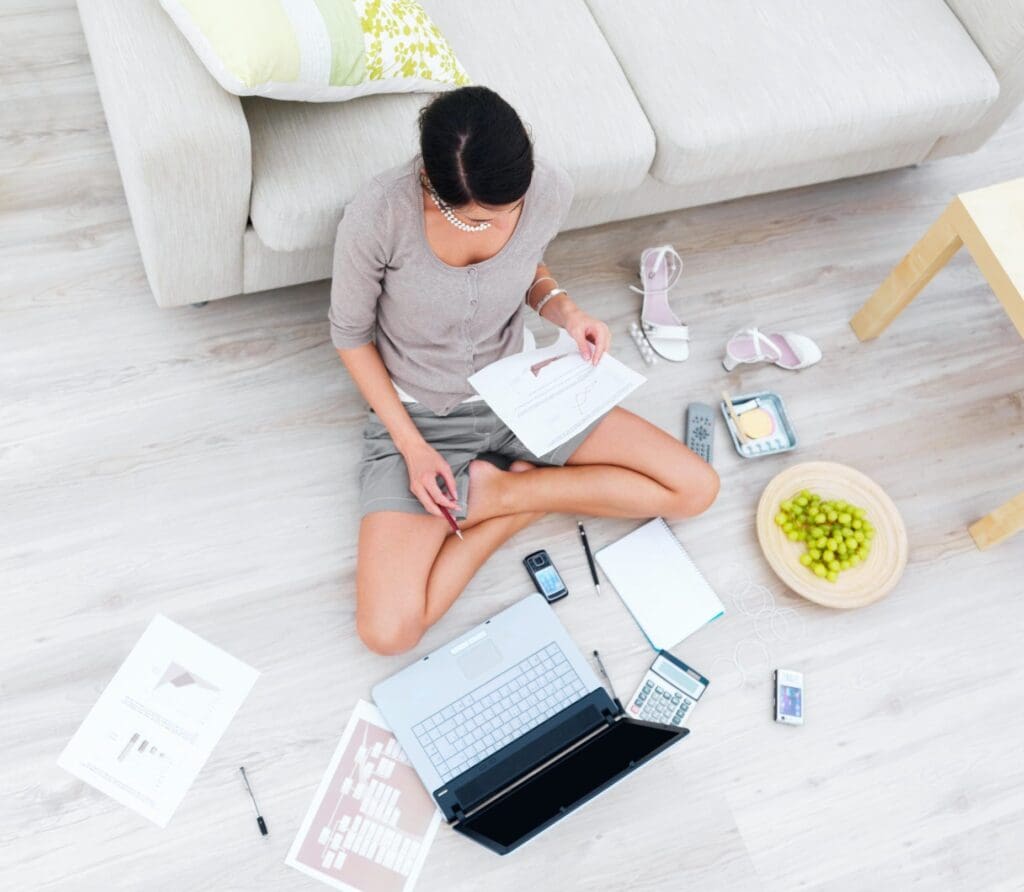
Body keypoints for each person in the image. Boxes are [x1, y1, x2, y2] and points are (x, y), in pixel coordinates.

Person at [330, 85, 719, 655]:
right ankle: (524, 498)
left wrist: (564, 308)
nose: (503, 222)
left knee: (695, 490)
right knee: (387, 632)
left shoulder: (548, 188)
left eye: (509, 209)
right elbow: (349, 336)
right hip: (423, 416)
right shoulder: (377, 214)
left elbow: (528, 265)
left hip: (522, 391)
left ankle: (506, 495)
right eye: (482, 218)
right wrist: (412, 449)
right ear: (433, 187)